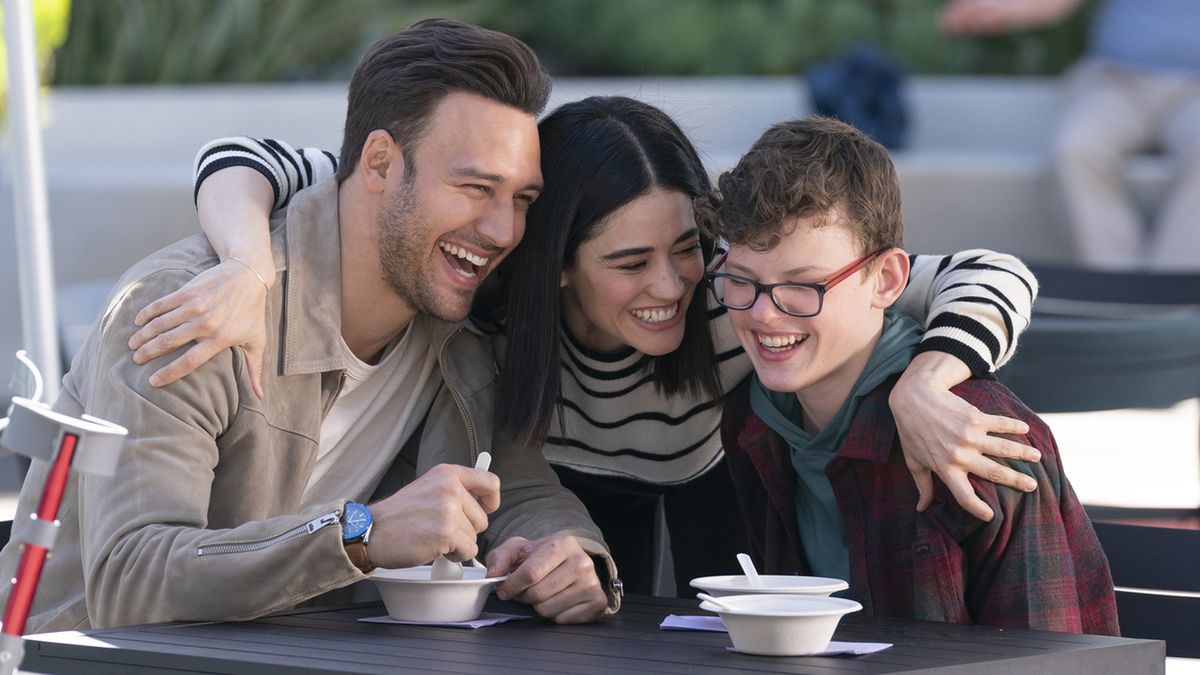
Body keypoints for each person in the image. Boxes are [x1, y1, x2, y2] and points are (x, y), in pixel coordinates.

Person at [131, 99, 1041, 596]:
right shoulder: (487, 297)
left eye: (687, 246)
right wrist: (248, 262)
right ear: (558, 264)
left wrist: (931, 376)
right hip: (559, 507)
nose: (671, 284)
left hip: (710, 498)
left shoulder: (743, 291)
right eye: (629, 262)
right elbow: (257, 157)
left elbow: (988, 270)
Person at [0, 19, 616, 634]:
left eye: (522, 200)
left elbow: (517, 484)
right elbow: (130, 579)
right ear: (379, 164)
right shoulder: (188, 309)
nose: (503, 231)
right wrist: (360, 533)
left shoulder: (456, 312)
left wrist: (565, 553)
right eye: (475, 187)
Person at [713, 116, 1118, 633]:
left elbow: (1049, 662)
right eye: (742, 281)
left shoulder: (981, 438)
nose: (765, 315)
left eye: (803, 286)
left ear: (886, 280)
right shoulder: (750, 419)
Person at [940, 0, 1200, 271]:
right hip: (1116, 78)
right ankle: (1117, 282)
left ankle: (1173, 286)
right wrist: (1002, 8)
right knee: (1074, 149)